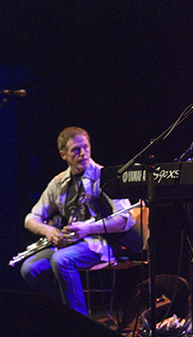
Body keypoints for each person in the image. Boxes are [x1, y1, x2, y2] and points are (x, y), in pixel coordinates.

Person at [20, 126, 135, 315]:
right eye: (75, 149)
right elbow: (31, 218)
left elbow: (125, 219)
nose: (82, 153)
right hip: (70, 244)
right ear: (63, 155)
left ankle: (79, 322)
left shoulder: (104, 176)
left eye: (86, 147)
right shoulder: (58, 182)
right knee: (30, 269)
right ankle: (63, 312)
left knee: (61, 259)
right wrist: (48, 231)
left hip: (100, 244)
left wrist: (88, 228)